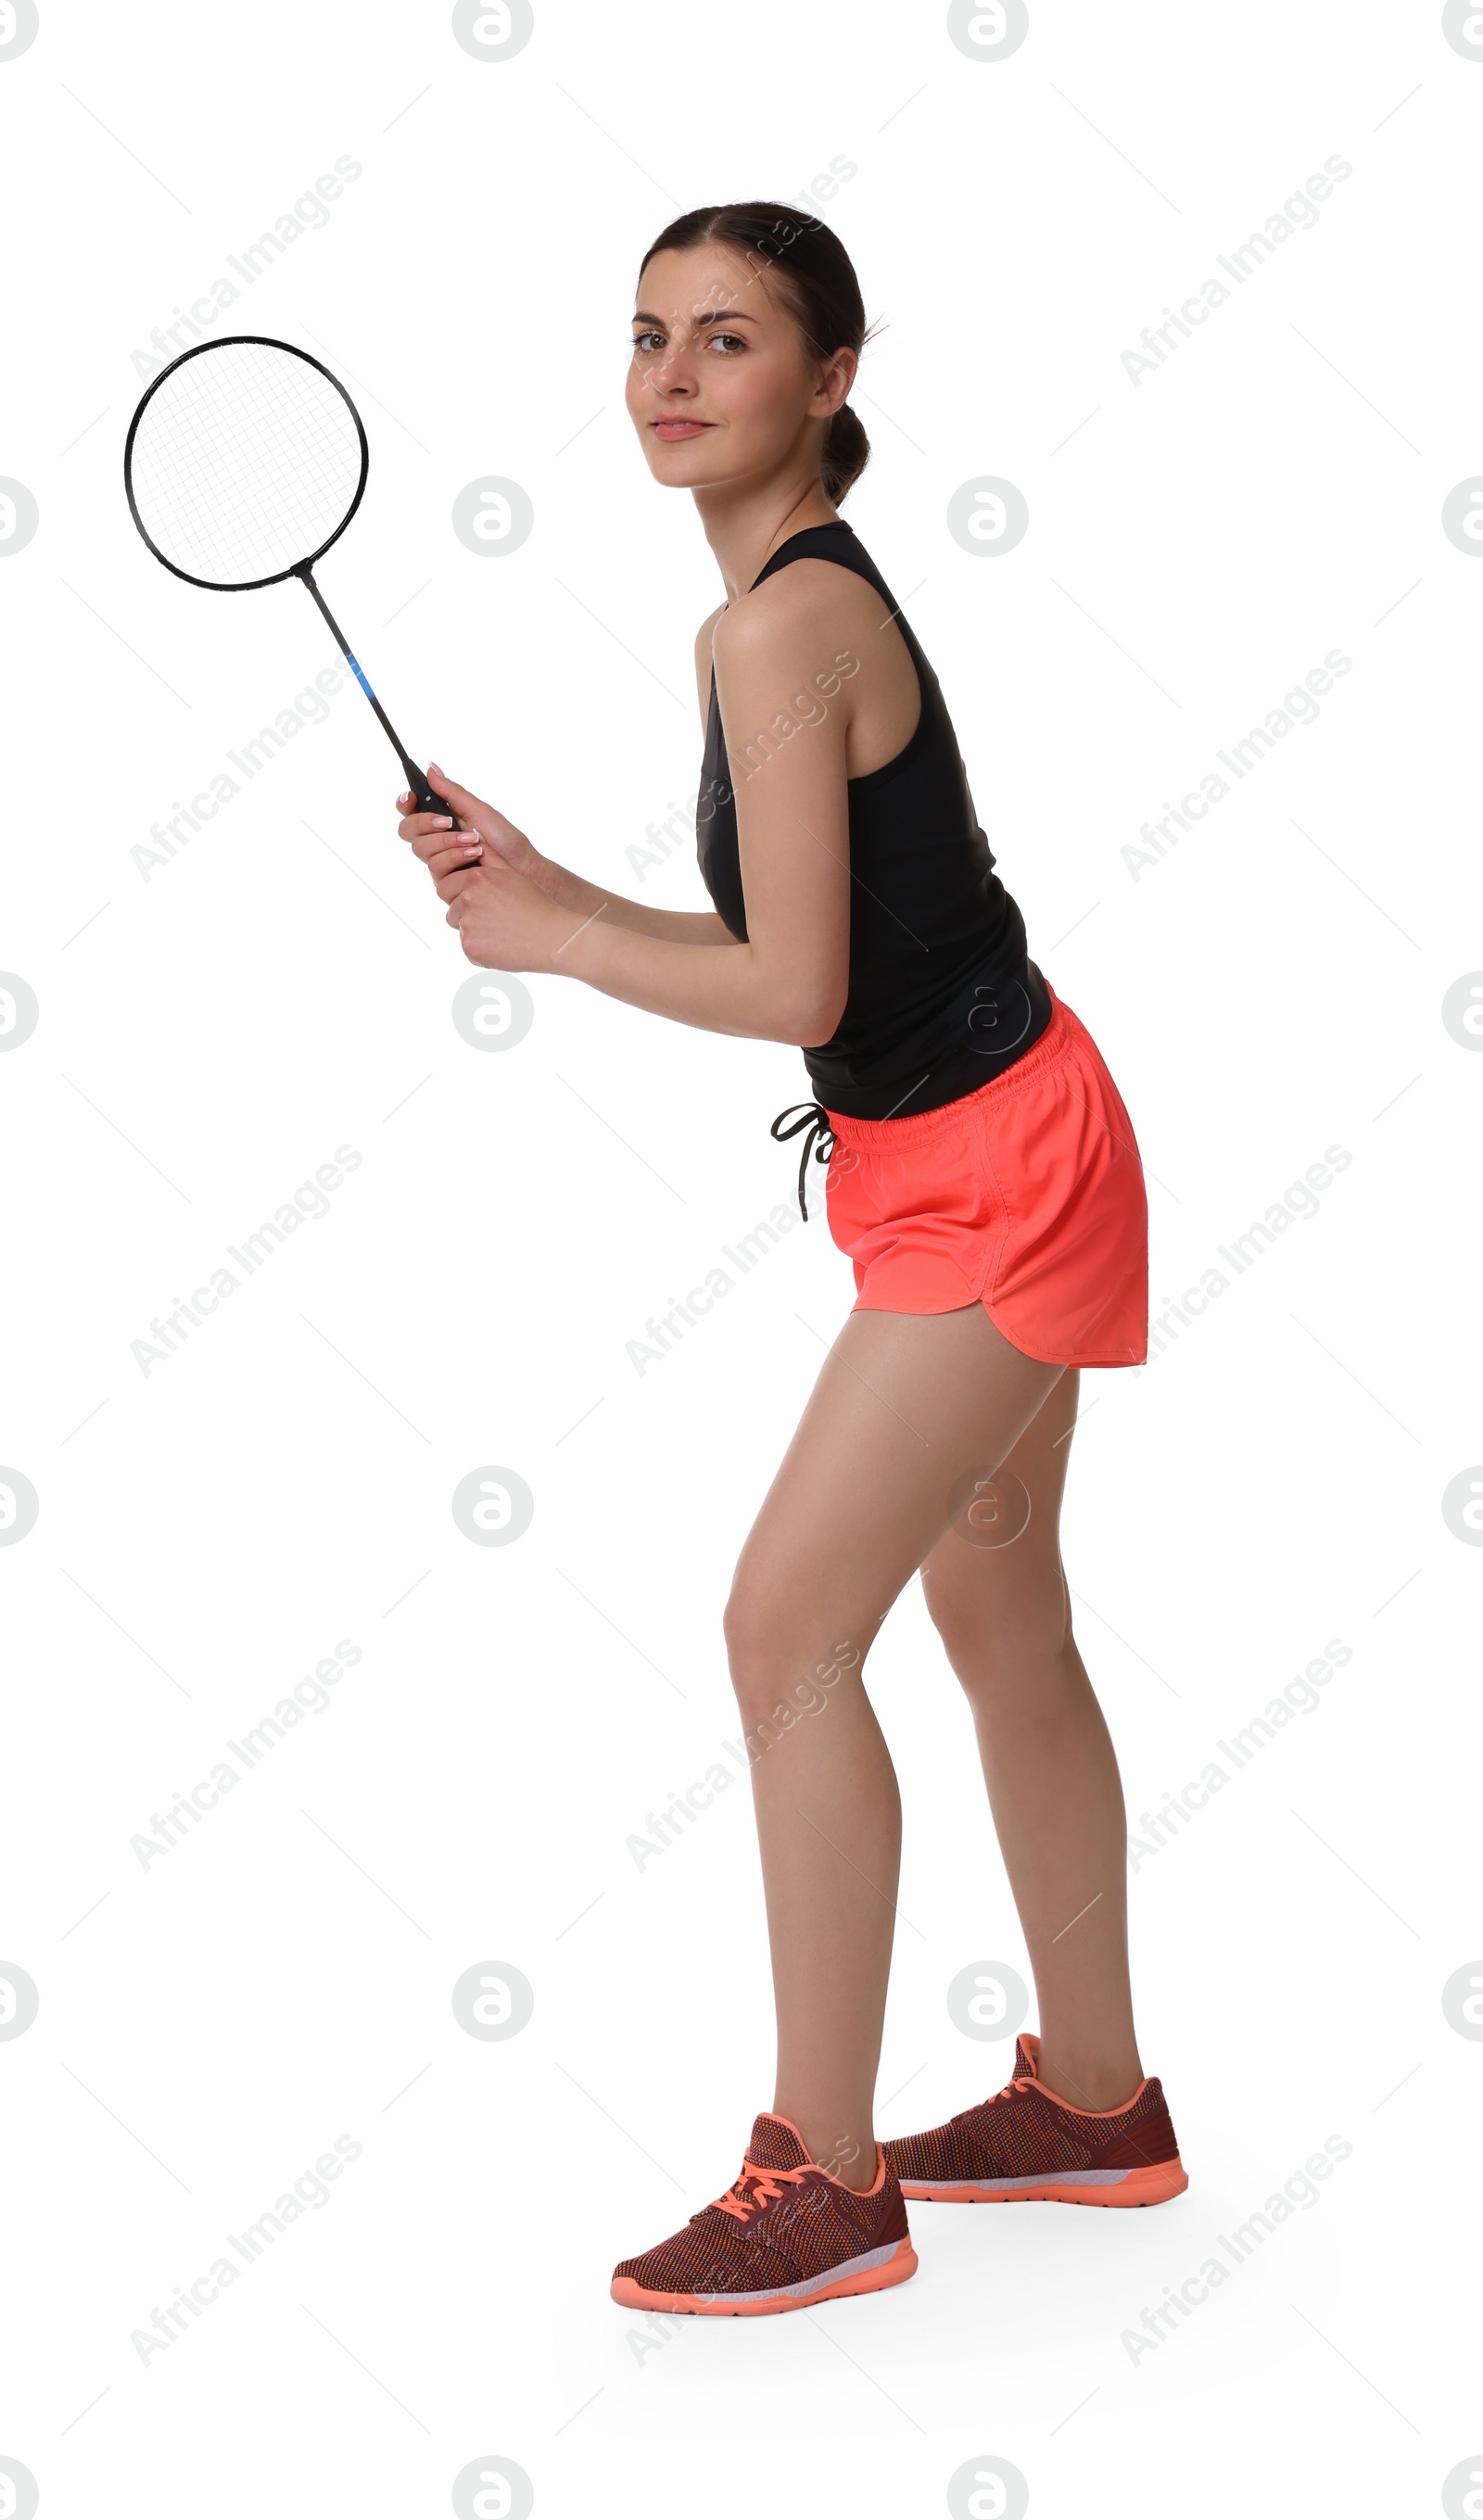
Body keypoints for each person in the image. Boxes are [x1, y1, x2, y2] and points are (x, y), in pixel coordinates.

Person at [394, 201, 1186, 2319]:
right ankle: (1096, 2105)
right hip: (989, 1128)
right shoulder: (762, 608)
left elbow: (795, 976)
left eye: (724, 340)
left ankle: (823, 2176)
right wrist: (557, 885)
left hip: (997, 1165)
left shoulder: (777, 622)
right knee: (999, 1613)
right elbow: (811, 967)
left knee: (782, 1630)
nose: (667, 374)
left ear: (828, 382)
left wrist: (554, 939)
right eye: (645, 334)